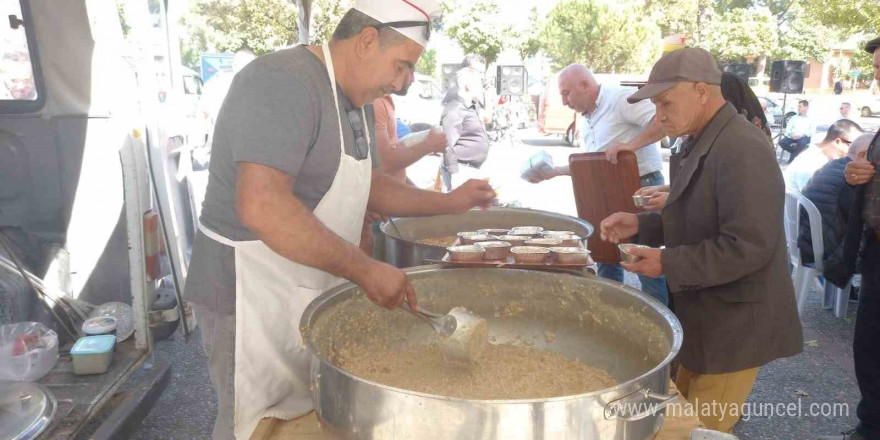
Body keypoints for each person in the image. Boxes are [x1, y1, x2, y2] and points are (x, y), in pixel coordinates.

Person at [184, 2, 496, 439]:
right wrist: (364, 269)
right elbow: (262, 205)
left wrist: (450, 203)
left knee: (305, 415)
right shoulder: (281, 82)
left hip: (305, 286)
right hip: (250, 293)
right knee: (253, 423)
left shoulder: (356, 98)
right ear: (368, 40)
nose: (406, 84)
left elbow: (364, 185)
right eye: (402, 66)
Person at [600, 47, 803, 433]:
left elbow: (749, 246)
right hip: (706, 317)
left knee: (697, 431)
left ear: (701, 91)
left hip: (735, 327)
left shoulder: (741, 146)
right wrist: (641, 225)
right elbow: (697, 217)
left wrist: (666, 263)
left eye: (665, 102)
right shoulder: (700, 136)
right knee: (678, 421)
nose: (659, 115)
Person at [526, 63, 669, 305]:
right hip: (607, 191)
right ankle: (608, 315)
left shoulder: (620, 99)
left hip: (643, 189)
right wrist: (556, 172)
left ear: (585, 85)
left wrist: (631, 146)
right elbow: (596, 162)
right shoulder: (587, 118)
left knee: (645, 264)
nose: (563, 101)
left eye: (565, 93)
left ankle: (660, 327)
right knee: (606, 258)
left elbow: (664, 121)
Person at [816, 35, 880, 440]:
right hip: (875, 253)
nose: (878, 79)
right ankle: (870, 424)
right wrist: (857, 179)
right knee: (869, 349)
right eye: (877, 70)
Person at [360, 71, 448, 254]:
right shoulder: (375, 103)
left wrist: (416, 193)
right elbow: (384, 161)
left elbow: (390, 166)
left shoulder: (384, 101)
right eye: (406, 67)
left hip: (385, 206)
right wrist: (428, 145)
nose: (413, 78)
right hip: (375, 212)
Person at [798, 133, 873, 289]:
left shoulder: (832, 166)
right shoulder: (855, 181)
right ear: (863, 155)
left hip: (805, 241)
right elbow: (865, 224)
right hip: (826, 254)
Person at [440, 65, 490, 191]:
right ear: (468, 85)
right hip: (462, 171)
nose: (481, 88)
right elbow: (446, 145)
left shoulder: (470, 106)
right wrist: (456, 174)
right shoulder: (456, 109)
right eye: (479, 84)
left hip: (471, 170)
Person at [784, 119, 863, 193]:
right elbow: (813, 198)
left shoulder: (822, 158)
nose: (857, 150)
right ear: (838, 142)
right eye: (854, 145)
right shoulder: (811, 162)